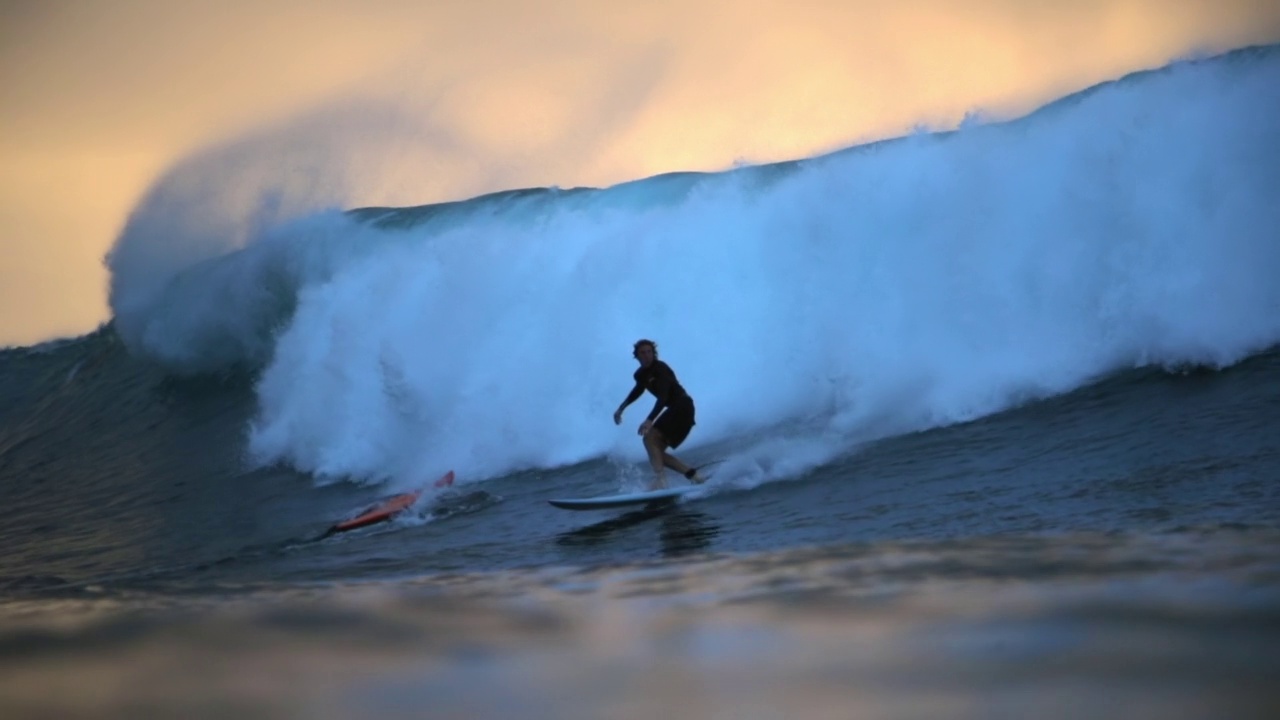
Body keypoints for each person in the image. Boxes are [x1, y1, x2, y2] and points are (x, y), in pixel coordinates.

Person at [613, 339, 706, 490]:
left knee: (649, 439)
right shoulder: (640, 375)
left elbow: (663, 396)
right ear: (636, 356)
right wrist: (621, 408)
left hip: (683, 407)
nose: (647, 355)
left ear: (654, 353)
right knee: (655, 451)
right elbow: (638, 391)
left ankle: (661, 481)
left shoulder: (660, 368)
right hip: (675, 410)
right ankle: (694, 476)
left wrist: (649, 420)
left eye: (649, 352)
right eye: (642, 353)